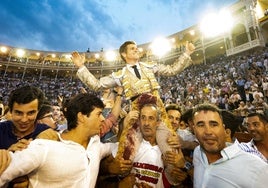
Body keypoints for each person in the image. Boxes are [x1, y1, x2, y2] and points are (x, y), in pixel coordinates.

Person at [72, 40, 196, 162]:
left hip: (158, 110)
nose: (136, 49)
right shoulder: (120, 75)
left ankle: (173, 177)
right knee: (128, 151)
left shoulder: (150, 66)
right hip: (137, 114)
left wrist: (187, 53)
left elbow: (172, 70)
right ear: (124, 54)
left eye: (136, 47)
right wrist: (81, 67)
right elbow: (97, 85)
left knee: (170, 148)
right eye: (132, 48)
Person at [0, 93, 114, 187]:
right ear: (81, 117)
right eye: (99, 114)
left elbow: (115, 147)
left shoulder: (96, 146)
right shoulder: (44, 147)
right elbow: (5, 171)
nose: (103, 119)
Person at [192, 103, 268, 188]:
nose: (208, 131)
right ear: (194, 129)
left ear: (224, 129)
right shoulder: (197, 153)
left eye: (214, 124)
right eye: (201, 125)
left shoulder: (257, 168)